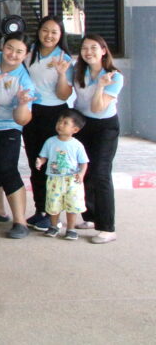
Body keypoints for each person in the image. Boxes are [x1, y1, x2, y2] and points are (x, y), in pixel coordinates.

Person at [69, 33, 123, 244]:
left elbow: (97, 107)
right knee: (85, 171)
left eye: (94, 48)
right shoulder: (78, 71)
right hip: (82, 124)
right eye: (85, 48)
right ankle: (90, 217)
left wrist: (101, 85)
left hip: (105, 127)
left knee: (101, 173)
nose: (89, 52)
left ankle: (108, 227)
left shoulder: (114, 76)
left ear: (103, 51)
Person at [0, 33, 37, 239]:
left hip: (8, 128)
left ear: (26, 54)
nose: (12, 54)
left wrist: (23, 102)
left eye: (19, 51)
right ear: (2, 46)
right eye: (9, 48)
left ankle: (20, 222)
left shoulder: (24, 81)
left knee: (7, 170)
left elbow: (22, 120)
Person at [24, 17, 74, 231]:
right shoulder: (30, 51)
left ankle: (54, 213)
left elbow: (64, 94)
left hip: (54, 114)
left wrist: (62, 74)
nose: (49, 35)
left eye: (54, 32)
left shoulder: (64, 58)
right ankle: (40, 210)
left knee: (53, 164)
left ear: (60, 35)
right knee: (35, 162)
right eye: (45, 30)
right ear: (39, 32)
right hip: (31, 111)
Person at [36, 109, 89, 240]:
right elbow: (44, 156)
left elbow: (84, 162)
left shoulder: (77, 145)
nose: (60, 125)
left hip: (72, 180)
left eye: (65, 123)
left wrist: (81, 174)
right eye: (59, 121)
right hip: (54, 179)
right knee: (53, 205)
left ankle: (70, 229)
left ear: (75, 130)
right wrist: (40, 161)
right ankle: (53, 226)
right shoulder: (50, 141)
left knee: (72, 205)